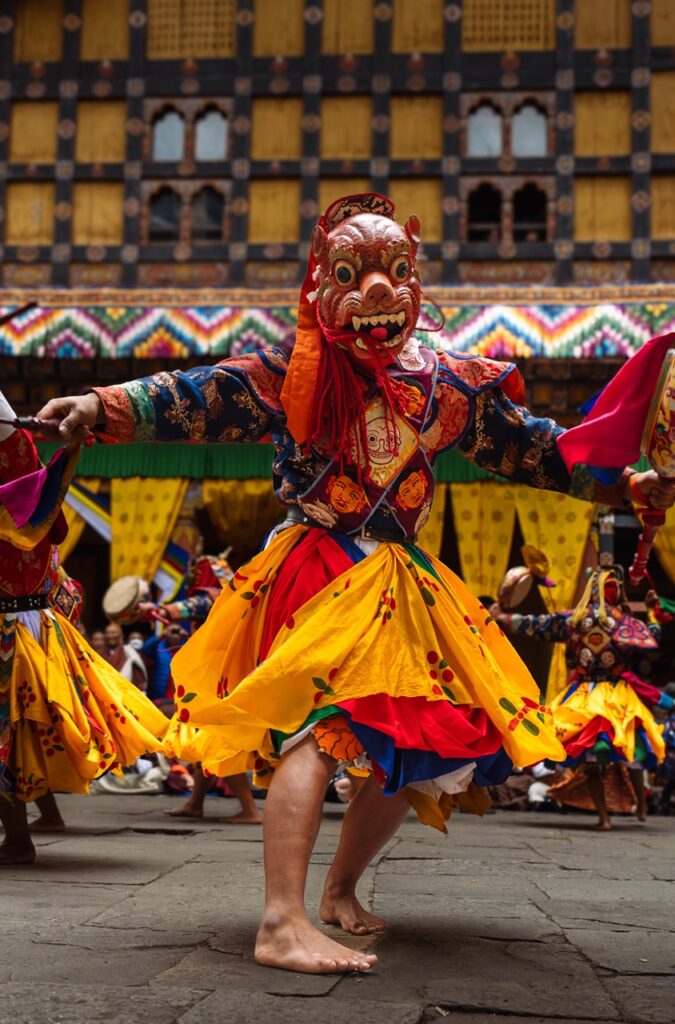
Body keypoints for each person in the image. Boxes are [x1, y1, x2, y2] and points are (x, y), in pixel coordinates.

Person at [37, 192, 675, 973]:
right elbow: (199, 393)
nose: (378, 293)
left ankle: (339, 890)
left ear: (415, 278)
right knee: (323, 724)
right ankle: (279, 921)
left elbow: (539, 452)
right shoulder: (292, 375)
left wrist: (626, 485)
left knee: (417, 740)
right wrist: (101, 404)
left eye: (395, 271)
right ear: (320, 286)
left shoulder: (447, 385)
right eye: (352, 272)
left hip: (399, 576)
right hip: (315, 560)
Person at [0, 391, 170, 864]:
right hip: (34, 621)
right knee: (24, 730)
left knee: (10, 735)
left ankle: (18, 839)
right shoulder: (37, 495)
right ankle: (40, 820)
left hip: (11, 627)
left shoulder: (17, 503)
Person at [492, 566, 675, 830]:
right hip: (617, 695)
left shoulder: (574, 620)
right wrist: (651, 614)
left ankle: (604, 818)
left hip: (583, 696)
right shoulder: (624, 623)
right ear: (618, 593)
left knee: (590, 759)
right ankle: (642, 807)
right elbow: (652, 637)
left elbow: (535, 624)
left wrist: (502, 617)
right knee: (632, 747)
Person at [102, 621, 148, 692]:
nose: (110, 636)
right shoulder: (100, 653)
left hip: (128, 693)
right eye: (108, 633)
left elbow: (138, 677)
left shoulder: (130, 652)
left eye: (113, 633)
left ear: (121, 635)